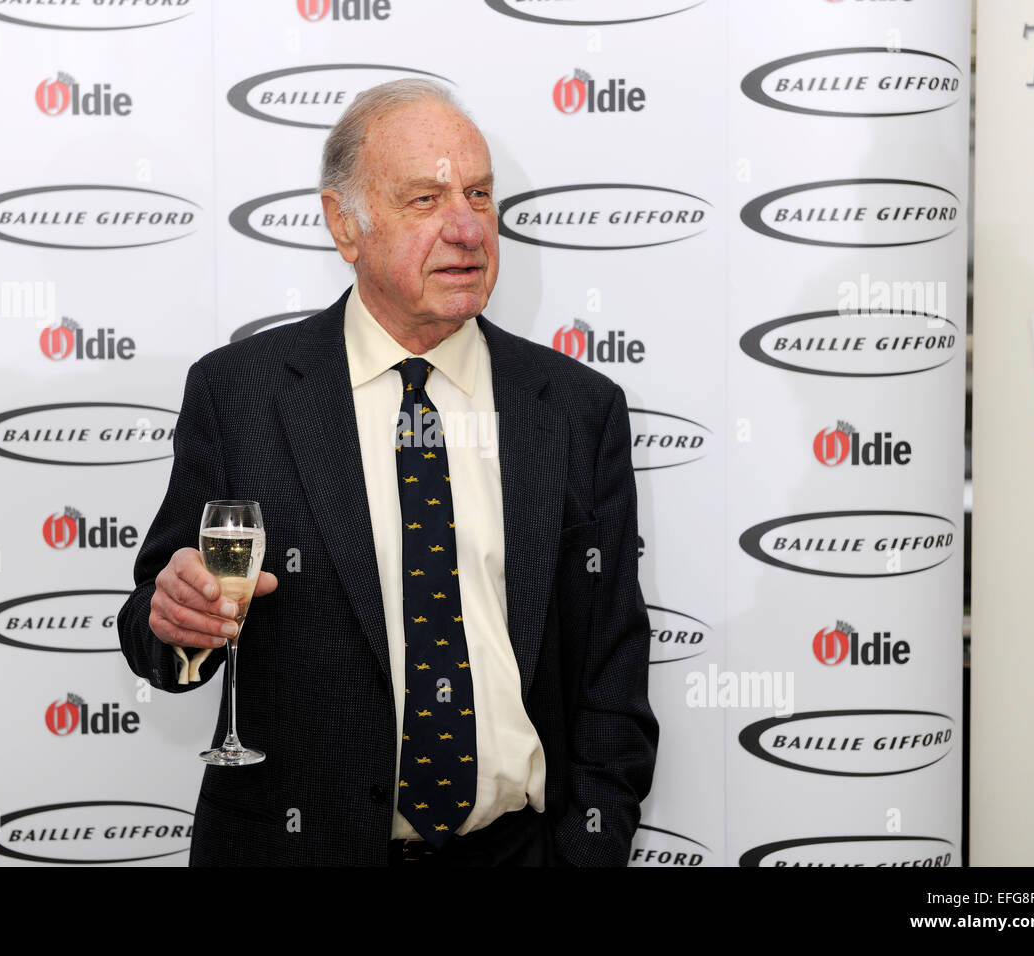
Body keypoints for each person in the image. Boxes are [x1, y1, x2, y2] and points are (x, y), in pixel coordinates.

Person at [116, 79, 658, 867]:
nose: (468, 227)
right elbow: (156, 630)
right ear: (345, 224)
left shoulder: (576, 409)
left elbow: (613, 663)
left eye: (478, 193)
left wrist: (585, 851)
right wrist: (176, 625)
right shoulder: (242, 394)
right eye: (426, 198)